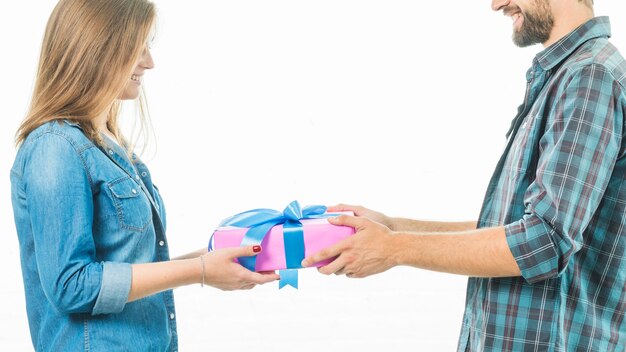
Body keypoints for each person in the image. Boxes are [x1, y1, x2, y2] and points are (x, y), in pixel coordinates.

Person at [302, 0, 626, 350]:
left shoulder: (590, 78)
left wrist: (394, 248)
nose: (496, 4)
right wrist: (392, 228)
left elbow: (543, 242)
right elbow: (514, 225)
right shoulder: (569, 75)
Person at [10, 1, 279, 350]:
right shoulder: (54, 146)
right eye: (136, 46)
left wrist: (212, 260)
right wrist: (199, 270)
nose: (149, 61)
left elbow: (132, 266)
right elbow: (71, 285)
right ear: (97, 46)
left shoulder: (113, 149)